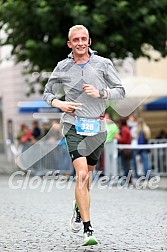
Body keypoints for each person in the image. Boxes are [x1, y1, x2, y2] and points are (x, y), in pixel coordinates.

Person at [43, 25, 125, 246]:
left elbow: (120, 90)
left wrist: (101, 93)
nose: (80, 42)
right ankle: (88, 229)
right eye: (75, 40)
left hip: (97, 129)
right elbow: (47, 93)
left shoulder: (103, 64)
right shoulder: (63, 66)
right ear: (70, 44)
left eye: (83, 39)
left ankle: (78, 208)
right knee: (81, 175)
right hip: (73, 125)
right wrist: (60, 103)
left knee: (87, 178)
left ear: (89, 41)